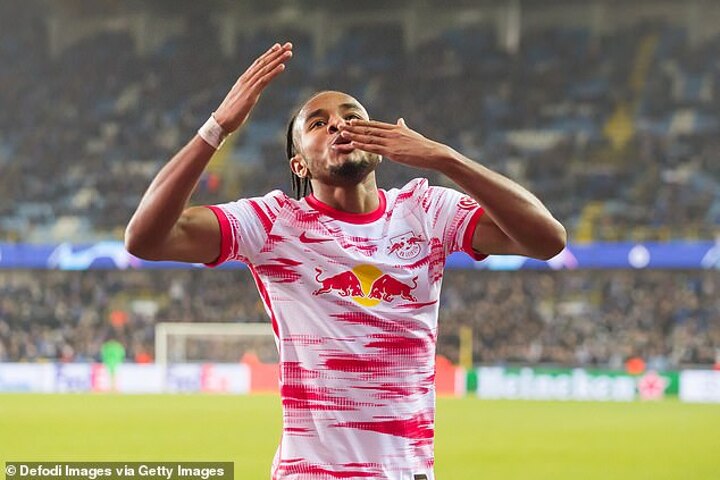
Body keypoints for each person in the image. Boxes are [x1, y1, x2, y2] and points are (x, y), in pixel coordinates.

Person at [125, 42, 566, 480]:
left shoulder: (426, 210)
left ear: (379, 142)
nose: (339, 123)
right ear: (299, 165)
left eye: (352, 116)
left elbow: (548, 240)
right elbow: (145, 239)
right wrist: (217, 127)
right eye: (319, 123)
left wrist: (444, 158)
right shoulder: (275, 222)